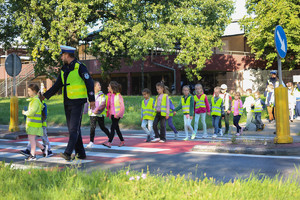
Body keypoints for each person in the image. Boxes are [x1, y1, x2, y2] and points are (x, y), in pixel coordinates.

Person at [43, 45, 95, 161]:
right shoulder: (64, 69)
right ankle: (81, 153)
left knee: (73, 129)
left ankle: (68, 152)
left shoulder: (80, 67)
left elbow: (89, 82)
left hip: (78, 102)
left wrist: (92, 99)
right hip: (67, 102)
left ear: (67, 55)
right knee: (74, 129)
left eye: (62, 55)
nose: (61, 57)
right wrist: (44, 96)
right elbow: (57, 85)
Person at [22, 84, 48, 161]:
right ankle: (43, 148)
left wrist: (25, 112)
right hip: (32, 125)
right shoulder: (34, 100)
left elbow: (32, 112)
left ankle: (32, 155)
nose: (28, 92)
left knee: (32, 140)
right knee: (32, 139)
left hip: (34, 125)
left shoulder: (35, 101)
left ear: (34, 91)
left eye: (29, 91)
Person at [85, 81, 110, 148]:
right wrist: (84, 111)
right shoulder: (90, 95)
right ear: (94, 87)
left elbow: (103, 104)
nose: (100, 86)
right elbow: (87, 103)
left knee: (102, 127)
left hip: (99, 114)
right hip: (92, 114)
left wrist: (97, 110)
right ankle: (91, 142)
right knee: (92, 127)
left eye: (100, 85)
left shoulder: (102, 95)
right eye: (98, 85)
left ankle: (110, 137)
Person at [102, 81, 125, 148]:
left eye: (109, 86)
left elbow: (122, 106)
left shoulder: (118, 96)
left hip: (117, 115)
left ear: (112, 88)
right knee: (117, 128)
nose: (107, 87)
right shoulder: (109, 95)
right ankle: (122, 141)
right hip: (112, 114)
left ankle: (109, 142)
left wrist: (119, 114)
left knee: (112, 128)